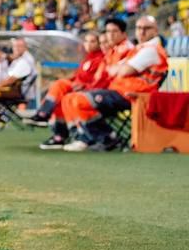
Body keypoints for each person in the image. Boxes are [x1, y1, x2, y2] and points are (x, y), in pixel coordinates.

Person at [61, 14, 169, 152]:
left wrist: (119, 69)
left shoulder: (151, 50)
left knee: (79, 100)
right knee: (71, 98)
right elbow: (114, 70)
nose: (142, 31)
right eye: (139, 28)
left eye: (147, 28)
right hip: (120, 91)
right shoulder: (139, 48)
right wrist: (119, 69)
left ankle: (106, 138)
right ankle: (89, 137)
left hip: (134, 95)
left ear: (155, 31)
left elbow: (123, 71)